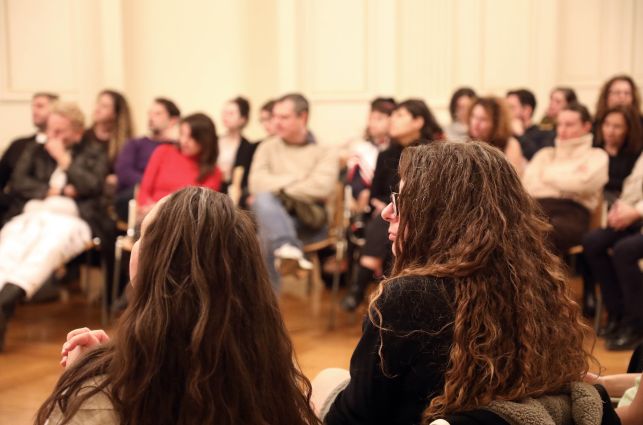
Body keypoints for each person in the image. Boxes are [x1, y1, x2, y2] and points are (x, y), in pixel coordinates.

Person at [317, 142, 599, 424]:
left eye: (400, 200)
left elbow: (351, 418)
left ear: (441, 214)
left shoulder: (408, 297)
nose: (387, 212)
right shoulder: (534, 285)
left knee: (324, 381)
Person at [35, 187, 321, 425]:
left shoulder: (96, 402)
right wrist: (109, 361)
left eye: (143, 235)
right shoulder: (272, 383)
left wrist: (82, 381)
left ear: (157, 261)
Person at [0, 102, 108, 351]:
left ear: (77, 133)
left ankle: (8, 298)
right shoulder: (35, 149)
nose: (53, 136)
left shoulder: (94, 152)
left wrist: (64, 159)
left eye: (60, 131)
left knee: (45, 250)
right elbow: (18, 182)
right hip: (34, 212)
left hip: (73, 219)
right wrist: (56, 190)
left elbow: (92, 185)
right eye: (51, 130)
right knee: (8, 244)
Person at [341, 99, 443, 311]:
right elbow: (375, 193)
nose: (392, 120)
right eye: (393, 115)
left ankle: (361, 287)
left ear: (418, 121)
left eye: (399, 115)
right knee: (387, 219)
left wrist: (397, 206)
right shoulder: (386, 154)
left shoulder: (434, 154)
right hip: (385, 213)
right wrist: (382, 203)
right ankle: (390, 295)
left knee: (391, 220)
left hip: (421, 214)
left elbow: (433, 195)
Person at [248, 93, 339, 291]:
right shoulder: (267, 147)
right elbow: (256, 183)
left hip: (310, 221)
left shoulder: (325, 149)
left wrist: (278, 190)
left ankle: (267, 306)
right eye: (275, 116)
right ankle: (286, 247)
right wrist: (296, 178)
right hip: (275, 219)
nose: (276, 122)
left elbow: (320, 187)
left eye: (284, 117)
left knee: (265, 219)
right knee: (263, 203)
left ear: (302, 117)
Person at [523, 102, 609, 254]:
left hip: (573, 213)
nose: (562, 130)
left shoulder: (596, 156)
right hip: (537, 208)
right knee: (509, 230)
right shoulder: (545, 154)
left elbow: (584, 185)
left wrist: (547, 176)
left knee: (539, 235)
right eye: (560, 124)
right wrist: (568, 183)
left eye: (569, 125)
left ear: (586, 126)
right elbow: (528, 186)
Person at [583, 152, 643, 350]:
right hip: (634, 216)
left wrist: (636, 212)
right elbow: (634, 184)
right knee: (593, 242)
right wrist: (620, 207)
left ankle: (636, 324)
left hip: (638, 215)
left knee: (624, 251)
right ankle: (616, 313)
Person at [136, 113, 222, 219]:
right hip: (150, 215)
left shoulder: (213, 172)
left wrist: (159, 210)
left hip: (181, 222)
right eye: (182, 134)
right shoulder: (163, 152)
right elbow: (144, 190)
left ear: (205, 140)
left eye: (191, 137)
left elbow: (199, 209)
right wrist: (148, 209)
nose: (184, 141)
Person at [114, 97, 180, 220]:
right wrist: (150, 187)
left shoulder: (178, 149)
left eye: (158, 114)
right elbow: (124, 172)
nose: (151, 118)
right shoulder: (135, 144)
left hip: (165, 199)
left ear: (173, 120)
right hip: (135, 195)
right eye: (150, 113)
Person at [342, 97, 396, 212]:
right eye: (371, 118)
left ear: (392, 120)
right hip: (363, 201)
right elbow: (353, 179)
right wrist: (360, 193)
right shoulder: (362, 147)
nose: (372, 123)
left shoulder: (396, 149)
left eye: (379, 119)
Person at [595, 105, 643, 204]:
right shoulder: (594, 147)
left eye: (617, 127)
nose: (610, 131)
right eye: (606, 124)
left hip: (623, 201)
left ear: (628, 129)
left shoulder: (636, 154)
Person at [468, 96, 525, 175]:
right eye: (473, 116)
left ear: (496, 123)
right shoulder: (467, 143)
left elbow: (514, 178)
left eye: (483, 119)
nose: (475, 123)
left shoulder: (510, 145)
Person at [505, 88, 555, 160]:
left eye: (511, 108)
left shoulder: (545, 133)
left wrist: (521, 135)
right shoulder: (505, 134)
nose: (506, 112)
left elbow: (539, 159)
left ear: (527, 110)